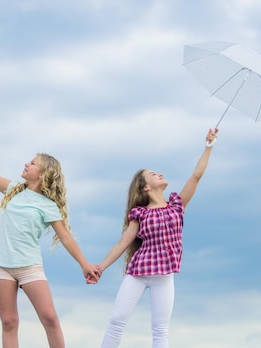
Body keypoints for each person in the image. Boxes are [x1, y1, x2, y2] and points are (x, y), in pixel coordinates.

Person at [0, 133, 101, 348]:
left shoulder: (48, 205)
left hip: (29, 267)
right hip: (2, 265)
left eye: (32, 163)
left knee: (50, 319)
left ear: (43, 174)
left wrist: (84, 264)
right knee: (8, 322)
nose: (27, 164)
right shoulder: (13, 190)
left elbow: (65, 237)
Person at [93, 128, 218, 348]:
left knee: (160, 330)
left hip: (164, 277)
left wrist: (208, 146)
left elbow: (196, 176)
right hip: (138, 273)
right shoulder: (140, 213)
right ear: (146, 187)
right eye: (153, 174)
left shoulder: (176, 206)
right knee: (117, 320)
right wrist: (100, 267)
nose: (159, 174)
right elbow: (124, 243)